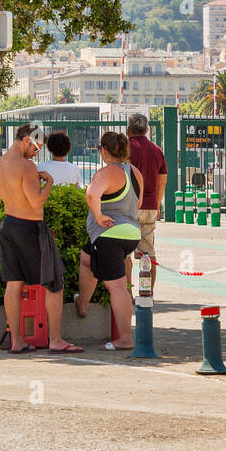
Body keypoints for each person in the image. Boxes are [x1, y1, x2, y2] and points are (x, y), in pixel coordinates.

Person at [0, 123, 81, 354]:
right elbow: (36, 202)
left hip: (8, 224)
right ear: (27, 140)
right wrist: (48, 182)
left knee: (14, 283)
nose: (37, 153)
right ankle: (56, 340)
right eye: (37, 147)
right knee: (54, 283)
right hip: (30, 226)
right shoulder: (27, 166)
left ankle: (17, 341)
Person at [75, 131, 144, 351]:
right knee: (86, 258)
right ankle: (83, 305)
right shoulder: (134, 172)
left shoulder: (106, 173)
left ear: (103, 151)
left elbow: (91, 194)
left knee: (117, 287)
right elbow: (138, 202)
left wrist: (98, 216)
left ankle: (125, 338)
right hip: (131, 233)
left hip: (110, 236)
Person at [126, 113, 166, 290]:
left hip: (127, 206)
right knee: (149, 253)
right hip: (150, 206)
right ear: (147, 129)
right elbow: (162, 179)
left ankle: (127, 292)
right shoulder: (157, 150)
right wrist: (157, 204)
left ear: (128, 130)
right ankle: (147, 293)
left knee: (124, 253)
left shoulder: (125, 148)